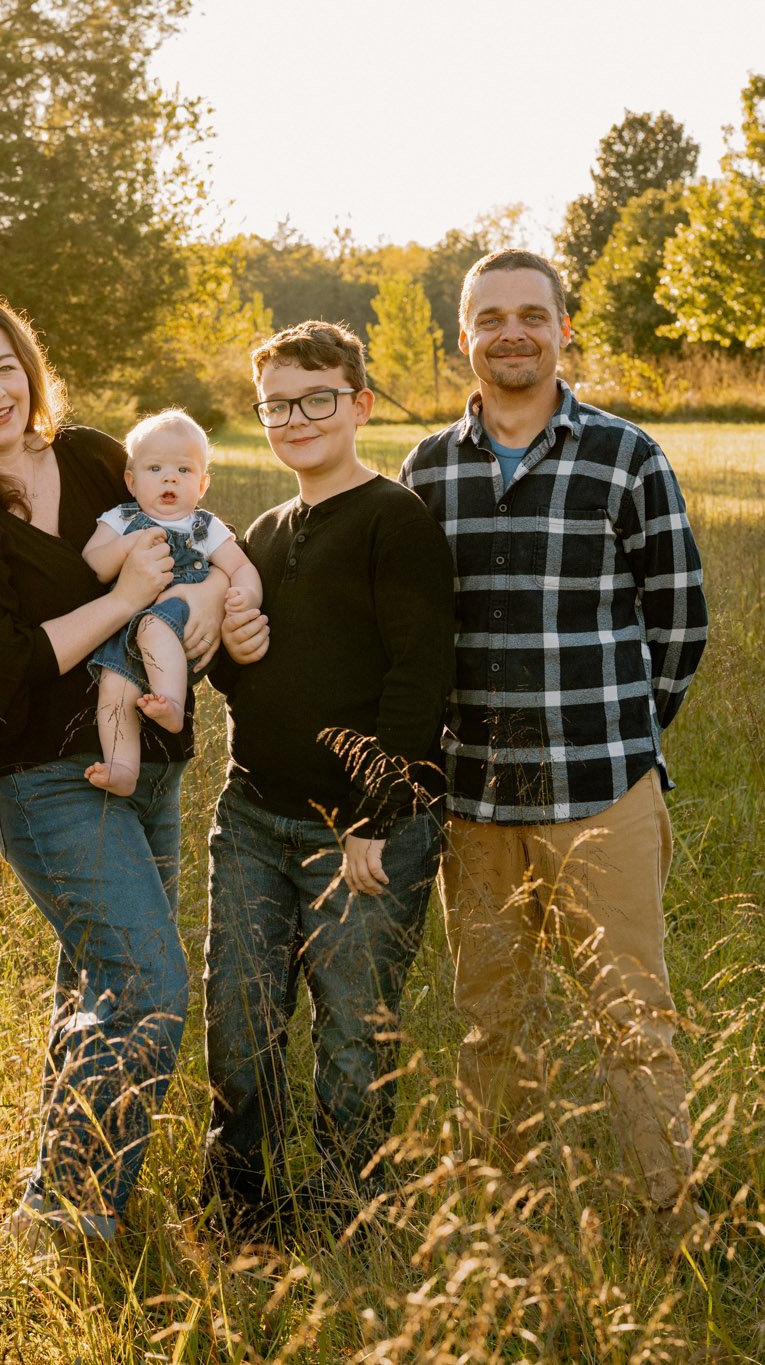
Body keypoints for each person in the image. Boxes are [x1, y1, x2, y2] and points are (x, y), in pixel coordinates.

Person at [397, 249, 710, 1243]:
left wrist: (623, 734)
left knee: (633, 1021)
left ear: (562, 329)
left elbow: (680, 617)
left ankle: (664, 1219)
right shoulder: (426, 469)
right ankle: (503, 1217)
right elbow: (406, 633)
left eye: (531, 314)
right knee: (492, 1025)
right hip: (476, 803)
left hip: (602, 793)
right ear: (463, 337)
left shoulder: (626, 456)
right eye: (489, 317)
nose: (511, 332)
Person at [0, 291, 230, 1245]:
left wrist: (211, 601)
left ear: (30, 370)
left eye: (6, 365)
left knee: (98, 980)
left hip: (153, 761)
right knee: (147, 979)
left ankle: (49, 1194)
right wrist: (124, 594)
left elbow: (189, 538)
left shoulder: (95, 457)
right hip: (44, 775)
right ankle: (71, 1211)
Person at [203, 321, 456, 1236]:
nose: (295, 418)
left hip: (364, 828)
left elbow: (418, 673)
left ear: (358, 403)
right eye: (276, 404)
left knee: (352, 1033)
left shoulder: (397, 521)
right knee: (239, 1020)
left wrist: (374, 814)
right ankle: (239, 1203)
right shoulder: (265, 533)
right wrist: (227, 648)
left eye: (316, 399)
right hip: (253, 816)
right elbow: (243, 671)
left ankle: (351, 1211)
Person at [81, 409, 261, 796]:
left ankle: (173, 705)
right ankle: (122, 767)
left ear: (203, 483)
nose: (169, 478)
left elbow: (241, 566)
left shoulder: (204, 526)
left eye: (183, 470)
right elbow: (94, 563)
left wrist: (243, 596)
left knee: (153, 626)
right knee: (113, 687)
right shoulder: (121, 519)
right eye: (155, 468)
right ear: (131, 481)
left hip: (179, 623)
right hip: (124, 632)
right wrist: (125, 545)